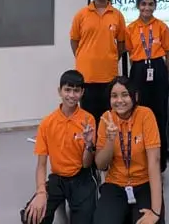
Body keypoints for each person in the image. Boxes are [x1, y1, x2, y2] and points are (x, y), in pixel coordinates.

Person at [23, 70, 97, 224]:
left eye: (76, 91)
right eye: (67, 90)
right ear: (60, 91)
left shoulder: (88, 120)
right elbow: (41, 164)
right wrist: (41, 192)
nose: (71, 95)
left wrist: (89, 144)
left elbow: (86, 164)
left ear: (82, 92)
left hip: (81, 177)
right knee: (31, 217)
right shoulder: (47, 123)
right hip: (58, 178)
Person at [94, 76, 164, 224]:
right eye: (114, 96)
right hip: (115, 184)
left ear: (135, 96)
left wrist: (156, 212)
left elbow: (154, 161)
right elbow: (101, 165)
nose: (119, 100)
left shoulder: (145, 115)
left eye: (125, 95)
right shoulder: (106, 119)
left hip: (143, 182)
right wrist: (110, 140)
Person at [125, 0, 169, 173]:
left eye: (151, 4)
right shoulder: (130, 28)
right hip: (138, 72)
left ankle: (160, 164)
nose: (147, 7)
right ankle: (141, 162)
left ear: (155, 6)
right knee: (138, 116)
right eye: (143, 4)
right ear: (138, 5)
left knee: (160, 118)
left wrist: (162, 73)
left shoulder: (162, 26)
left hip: (158, 71)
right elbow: (130, 54)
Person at [70, 0, 126, 123]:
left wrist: (110, 58)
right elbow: (74, 41)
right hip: (87, 75)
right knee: (89, 119)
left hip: (109, 76)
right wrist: (84, 57)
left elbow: (121, 44)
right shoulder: (81, 14)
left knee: (109, 119)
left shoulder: (117, 15)